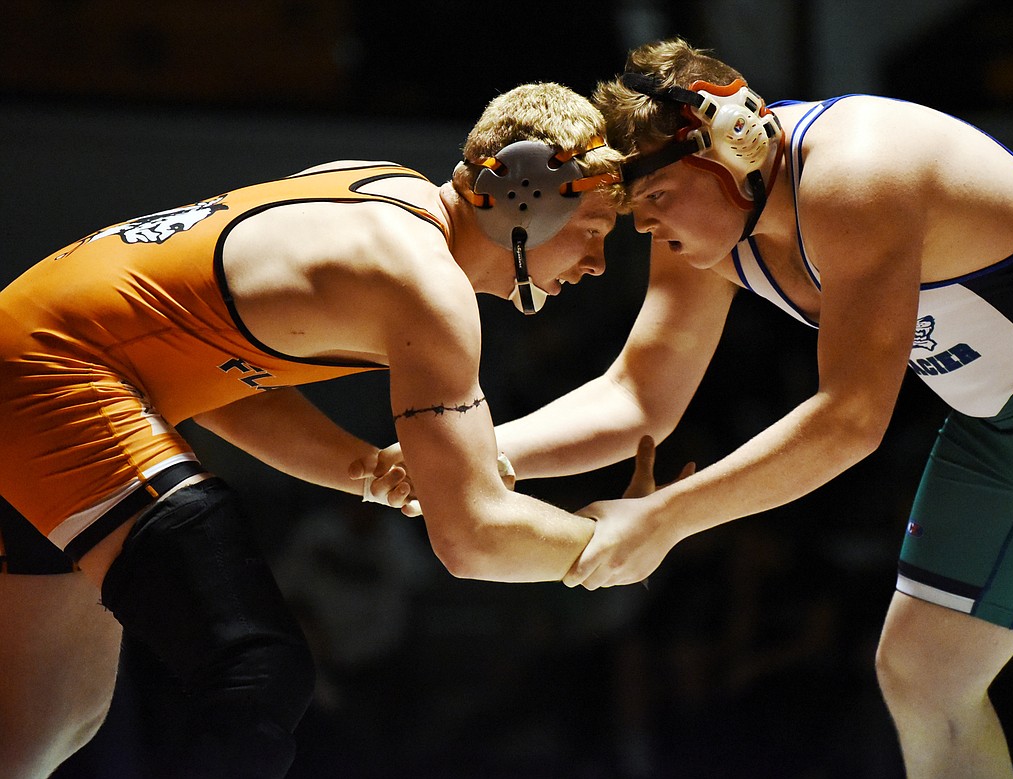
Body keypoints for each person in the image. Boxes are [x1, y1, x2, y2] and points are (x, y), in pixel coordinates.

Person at [376, 39, 1013, 774]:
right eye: (634, 207)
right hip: (997, 424)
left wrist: (664, 517)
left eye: (653, 196)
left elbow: (852, 421)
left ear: (737, 148)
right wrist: (476, 452)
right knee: (923, 675)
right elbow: (638, 398)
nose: (644, 224)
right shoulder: (710, 217)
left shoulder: (859, 170)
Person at [0, 82, 626, 778]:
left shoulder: (375, 184)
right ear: (529, 194)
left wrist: (363, 470)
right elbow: (471, 535)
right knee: (255, 670)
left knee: (43, 729)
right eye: (594, 229)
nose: (598, 263)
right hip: (51, 372)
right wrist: (607, 544)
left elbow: (218, 383)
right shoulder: (428, 288)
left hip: (40, 356)